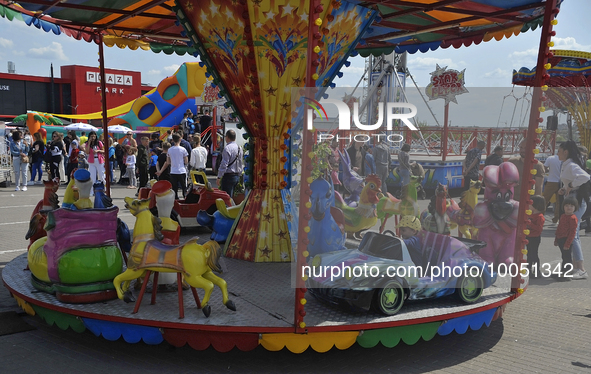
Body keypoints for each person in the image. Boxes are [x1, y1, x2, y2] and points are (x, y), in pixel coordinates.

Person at [557, 140, 590, 279]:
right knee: (574, 233)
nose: (557, 153)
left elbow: (585, 176)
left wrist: (570, 184)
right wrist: (565, 188)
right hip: (572, 199)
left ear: (566, 152)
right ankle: (576, 266)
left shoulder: (570, 164)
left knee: (574, 234)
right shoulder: (567, 164)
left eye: (559, 151)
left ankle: (581, 268)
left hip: (576, 201)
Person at [554, 197, 579, 281]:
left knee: (567, 257)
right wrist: (556, 239)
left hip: (567, 240)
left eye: (572, 206)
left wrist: (567, 243)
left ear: (575, 208)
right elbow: (559, 228)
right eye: (567, 205)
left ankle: (567, 274)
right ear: (563, 207)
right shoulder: (563, 216)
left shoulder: (573, 218)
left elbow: (572, 232)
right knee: (564, 257)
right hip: (561, 239)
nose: (569, 207)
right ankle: (563, 272)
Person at [157, 134, 188, 200]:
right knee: (183, 187)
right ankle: (185, 198)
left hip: (173, 170)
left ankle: (176, 200)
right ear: (180, 139)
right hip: (182, 170)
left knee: (174, 187)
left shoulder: (170, 150)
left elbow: (168, 162)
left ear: (173, 140)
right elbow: (186, 161)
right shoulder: (183, 149)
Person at [217, 129, 243, 198]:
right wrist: (239, 174)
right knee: (231, 198)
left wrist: (219, 176)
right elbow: (240, 162)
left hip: (228, 176)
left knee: (226, 198)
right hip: (236, 176)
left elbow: (224, 164)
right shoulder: (239, 148)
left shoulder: (227, 148)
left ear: (227, 137)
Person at [526, 195, 546, 277]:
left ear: (536, 205)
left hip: (535, 237)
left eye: (531, 203)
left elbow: (539, 229)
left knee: (534, 254)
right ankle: (529, 269)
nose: (529, 205)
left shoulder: (540, 217)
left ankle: (537, 271)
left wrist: (530, 224)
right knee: (528, 254)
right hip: (528, 236)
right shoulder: (530, 214)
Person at [544, 151, 562, 223]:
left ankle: (540, 215)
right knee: (559, 202)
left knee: (545, 200)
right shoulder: (565, 159)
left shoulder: (550, 158)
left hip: (551, 181)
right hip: (561, 182)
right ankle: (556, 218)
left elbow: (544, 168)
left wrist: (549, 170)